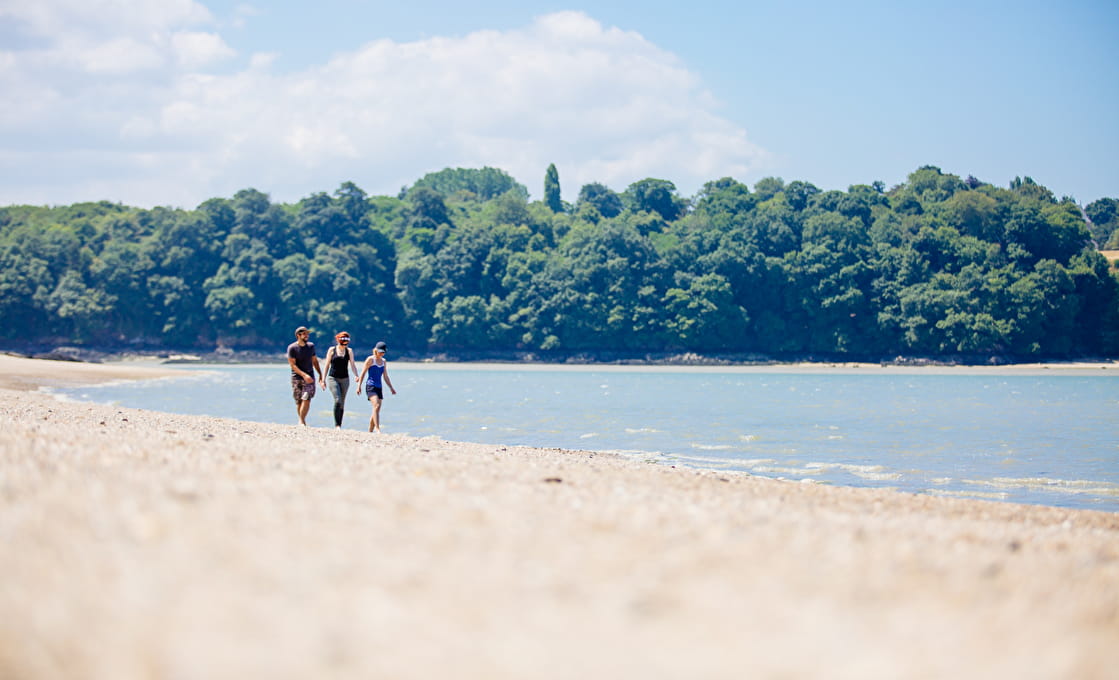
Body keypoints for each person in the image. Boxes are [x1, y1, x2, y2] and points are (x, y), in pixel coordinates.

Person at [320, 331, 359, 429]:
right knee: (337, 400)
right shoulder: (332, 350)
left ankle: (339, 425)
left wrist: (356, 375)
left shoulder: (349, 351)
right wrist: (323, 379)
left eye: (346, 341)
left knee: (342, 402)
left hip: (345, 379)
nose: (344, 343)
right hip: (333, 378)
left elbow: (353, 365)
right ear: (338, 340)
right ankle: (336, 425)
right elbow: (327, 365)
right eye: (343, 340)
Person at [356, 341, 397, 433]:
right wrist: (359, 386)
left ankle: (370, 431)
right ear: (376, 350)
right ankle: (378, 429)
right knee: (376, 405)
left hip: (379, 387)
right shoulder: (371, 359)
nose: (382, 353)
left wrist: (391, 388)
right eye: (380, 351)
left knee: (376, 409)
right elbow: (363, 372)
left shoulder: (383, 361)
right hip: (370, 385)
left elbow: (385, 376)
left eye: (383, 352)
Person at [286, 326, 322, 426]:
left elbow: (314, 360)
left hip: (310, 377)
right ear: (298, 335)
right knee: (299, 401)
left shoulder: (311, 346)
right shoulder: (292, 348)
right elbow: (293, 365)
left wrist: (320, 374)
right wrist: (303, 375)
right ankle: (302, 420)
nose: (307, 336)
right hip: (296, 377)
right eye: (305, 334)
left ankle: (301, 421)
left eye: (307, 334)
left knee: (306, 398)